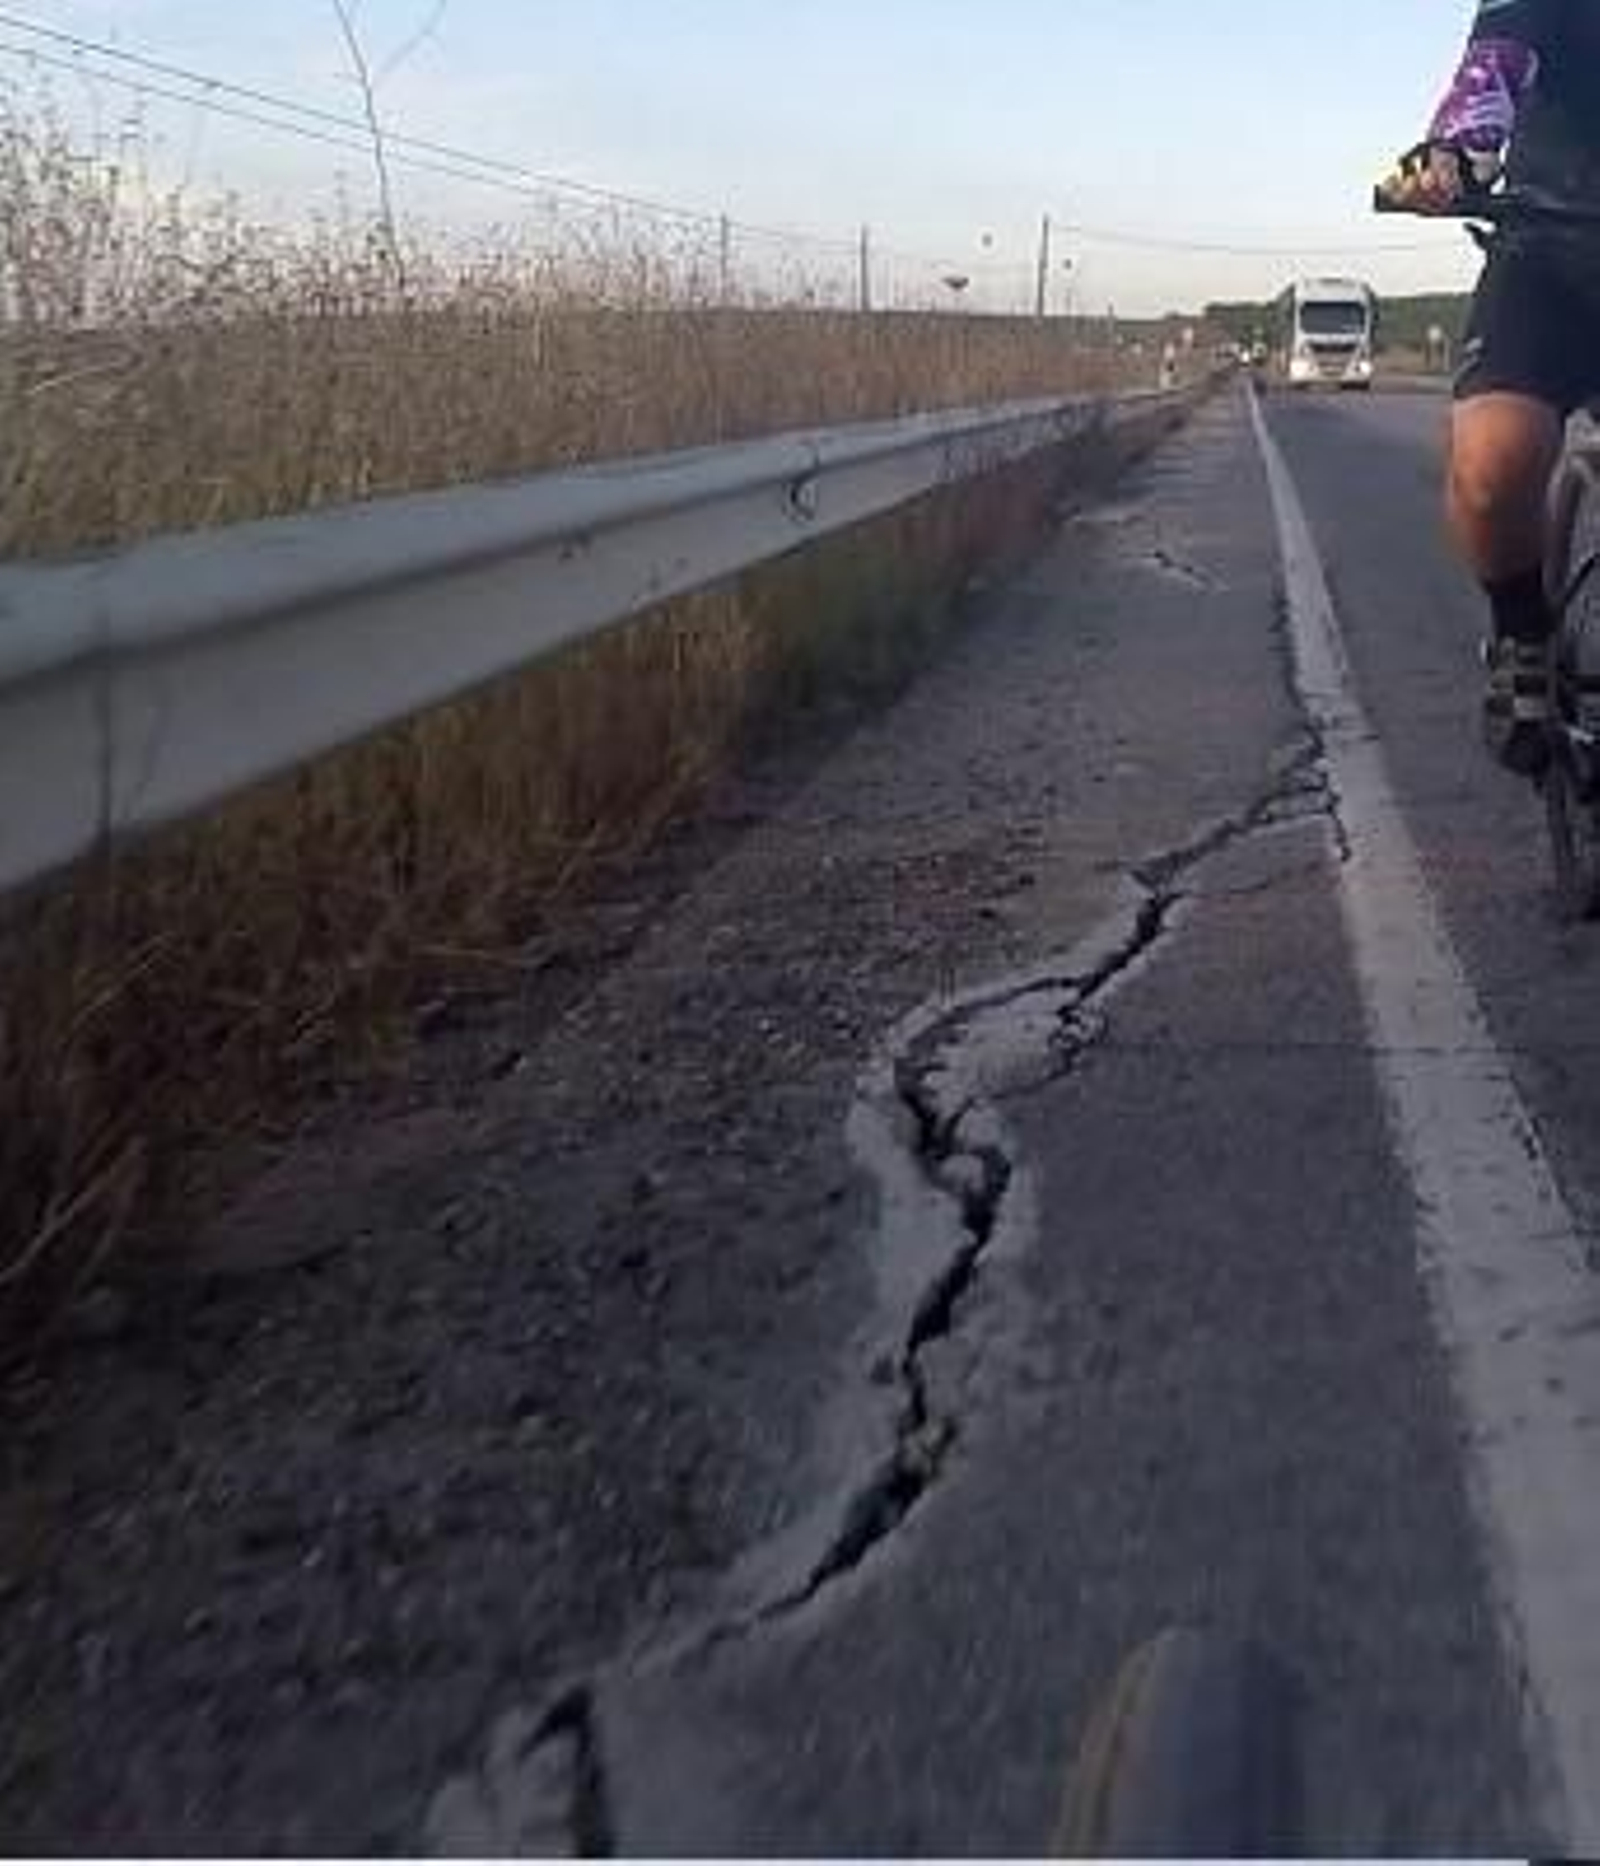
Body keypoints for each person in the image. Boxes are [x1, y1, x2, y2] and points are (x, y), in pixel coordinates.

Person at [1381, 1, 1600, 776]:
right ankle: (1522, 636)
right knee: (1494, 462)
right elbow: (1494, 67)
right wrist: (1456, 156)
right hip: (1550, 255)